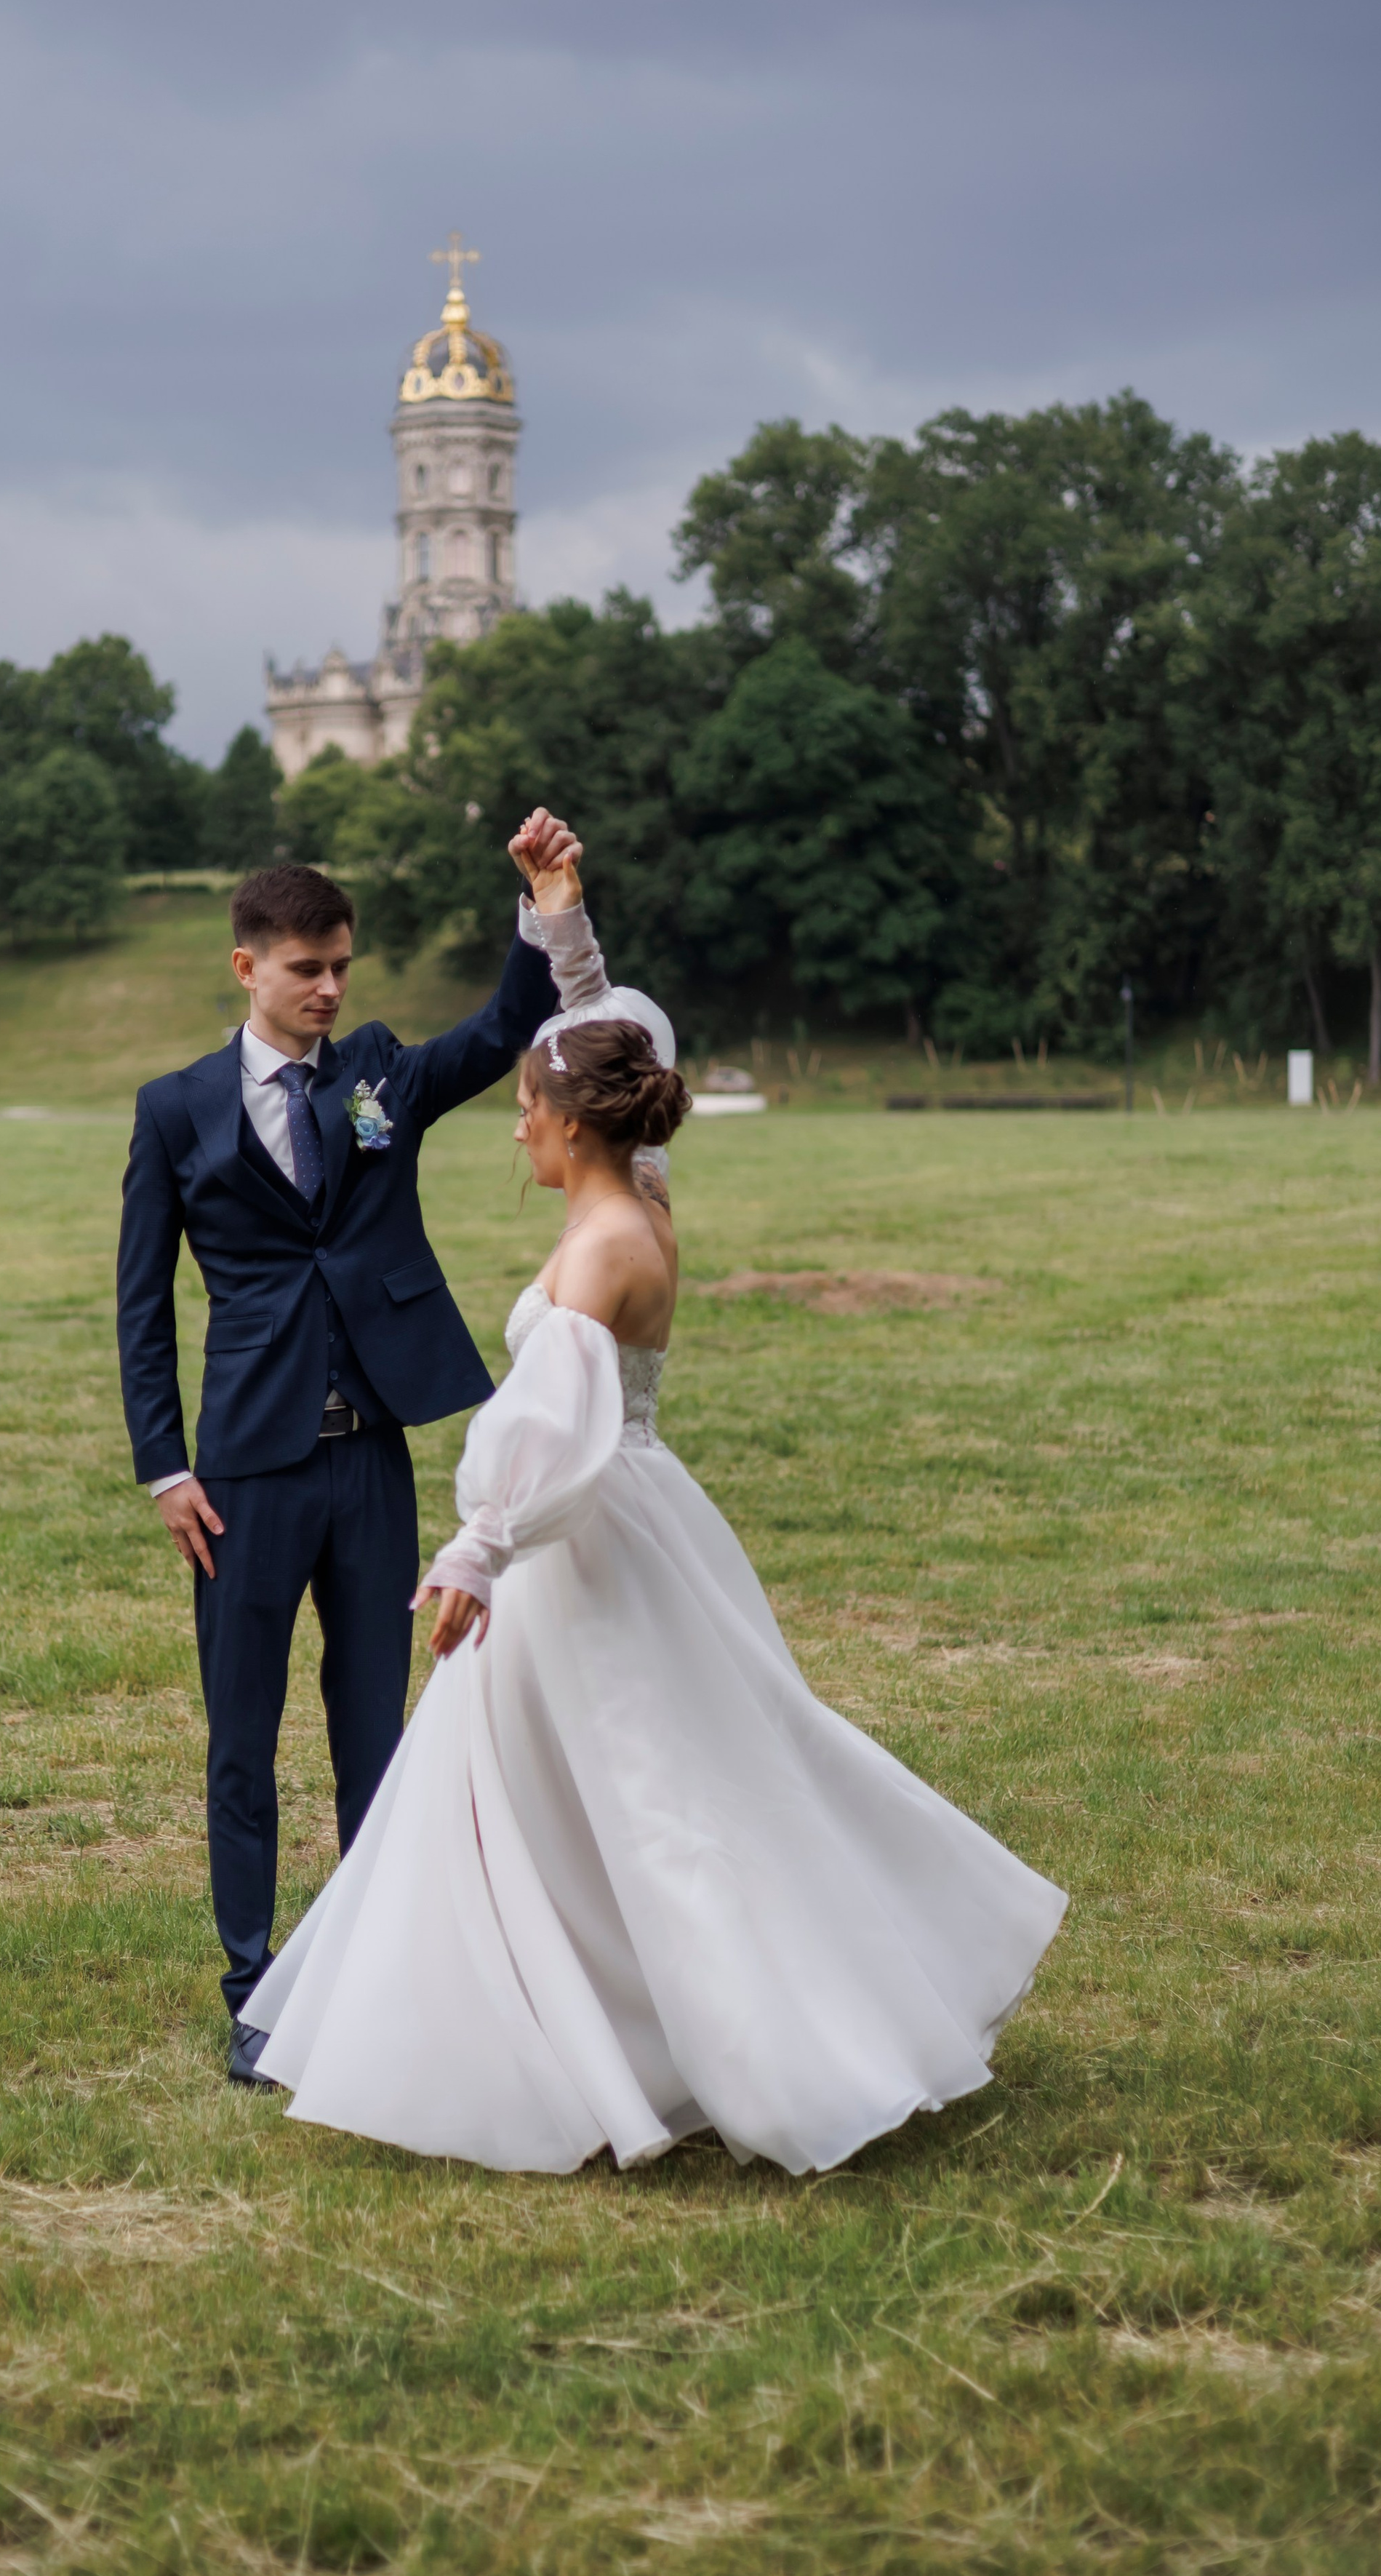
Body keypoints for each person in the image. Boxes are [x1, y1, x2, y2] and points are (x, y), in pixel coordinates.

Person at [241, 873, 1068, 2175]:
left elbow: (549, 1422)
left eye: (529, 1107)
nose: (518, 1125)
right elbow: (613, 1039)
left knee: (645, 1797)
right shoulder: (642, 1193)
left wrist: (477, 1548)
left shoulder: (601, 1250)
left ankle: (735, 2050)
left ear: (575, 1123)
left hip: (582, 1544)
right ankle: (543, 2034)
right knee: (563, 1790)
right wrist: (565, 931)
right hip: (628, 1515)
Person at [116, 820, 588, 2086]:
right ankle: (255, 1992)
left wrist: (542, 907)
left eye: (341, 967)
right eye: (306, 969)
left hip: (371, 1455)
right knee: (242, 1738)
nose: (329, 988)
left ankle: (375, 1974)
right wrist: (167, 1468)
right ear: (246, 967)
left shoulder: (376, 1075)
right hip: (245, 1474)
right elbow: (142, 1304)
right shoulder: (175, 1111)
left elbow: (504, 1030)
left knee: (375, 1726)